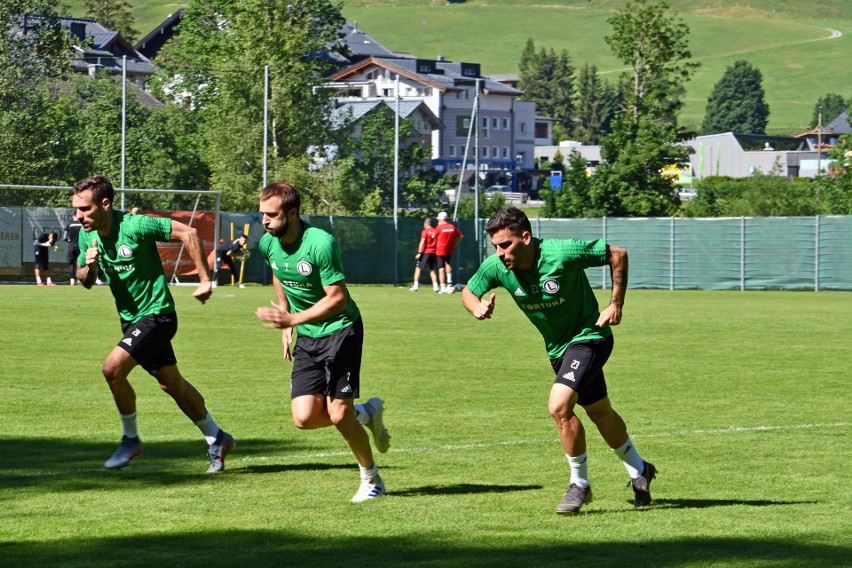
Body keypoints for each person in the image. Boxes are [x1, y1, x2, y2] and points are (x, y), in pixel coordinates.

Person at [461, 207, 656, 515]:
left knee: (559, 406)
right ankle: (639, 469)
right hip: (557, 349)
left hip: (590, 337)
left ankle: (580, 484)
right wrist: (476, 308)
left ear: (526, 237)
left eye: (506, 245)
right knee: (600, 413)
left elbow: (617, 254)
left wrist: (615, 303)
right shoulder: (497, 267)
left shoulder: (561, 253)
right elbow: (469, 291)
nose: (499, 253)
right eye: (495, 247)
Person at [71, 174, 235, 473]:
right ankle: (217, 437)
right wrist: (89, 267)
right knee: (171, 384)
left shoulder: (135, 225)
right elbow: (85, 281)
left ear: (105, 204)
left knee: (112, 369)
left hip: (158, 315)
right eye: (76, 210)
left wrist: (204, 279)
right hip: (131, 320)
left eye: (84, 209)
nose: (78, 216)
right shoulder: (87, 234)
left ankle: (130, 440)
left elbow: (189, 233)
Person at [254, 181, 391, 502]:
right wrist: (285, 315)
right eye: (261, 214)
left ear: (293, 212)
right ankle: (366, 413)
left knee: (338, 415)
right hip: (308, 335)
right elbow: (278, 272)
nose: (265, 221)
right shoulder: (268, 243)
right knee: (303, 419)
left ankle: (372, 478)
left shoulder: (320, 243)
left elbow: (338, 298)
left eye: (271, 215)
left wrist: (293, 320)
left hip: (342, 330)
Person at [435, 211, 463, 294]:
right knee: (448, 264)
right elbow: (460, 236)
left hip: (440, 250)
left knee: (441, 269)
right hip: (449, 249)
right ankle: (449, 283)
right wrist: (454, 244)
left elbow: (433, 235)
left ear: (441, 219)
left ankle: (443, 288)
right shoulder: (452, 226)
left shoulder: (439, 227)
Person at [409, 217, 438, 292]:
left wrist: (419, 253)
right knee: (432, 270)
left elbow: (422, 242)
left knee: (418, 268)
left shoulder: (425, 231)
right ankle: (436, 287)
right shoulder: (435, 231)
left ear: (426, 224)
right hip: (434, 252)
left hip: (426, 252)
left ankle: (415, 286)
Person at [63, 214, 83, 285]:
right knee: (79, 264)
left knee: (71, 264)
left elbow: (64, 237)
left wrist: (70, 241)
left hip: (71, 246)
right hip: (80, 247)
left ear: (73, 216)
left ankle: (72, 281)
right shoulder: (82, 225)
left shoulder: (69, 225)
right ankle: (79, 280)